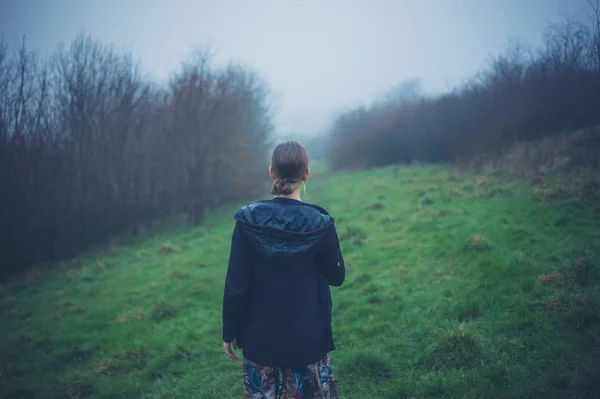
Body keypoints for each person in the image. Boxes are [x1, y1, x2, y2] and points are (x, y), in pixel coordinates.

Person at [222, 141, 346, 399]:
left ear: (272, 172)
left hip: (259, 340)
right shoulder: (321, 223)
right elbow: (336, 277)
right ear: (307, 174)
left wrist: (229, 330)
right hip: (308, 341)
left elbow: (236, 283)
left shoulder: (247, 220)